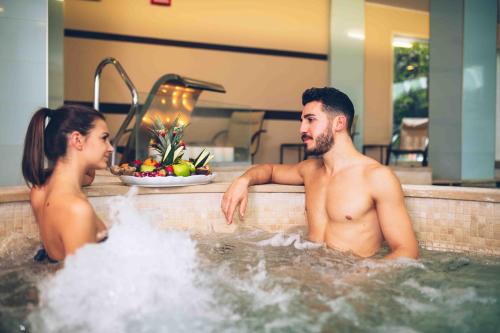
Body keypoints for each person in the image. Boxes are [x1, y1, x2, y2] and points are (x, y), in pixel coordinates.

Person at [221, 87, 419, 259]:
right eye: (302, 121)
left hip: (353, 288)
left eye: (310, 120)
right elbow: (270, 170)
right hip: (312, 274)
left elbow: (407, 251)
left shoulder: (377, 177)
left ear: (338, 123)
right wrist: (243, 180)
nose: (302, 129)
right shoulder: (310, 170)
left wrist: (360, 277)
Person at [22, 105, 113, 261]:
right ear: (77, 140)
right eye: (104, 138)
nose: (110, 148)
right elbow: (84, 283)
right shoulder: (77, 209)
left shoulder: (39, 191)